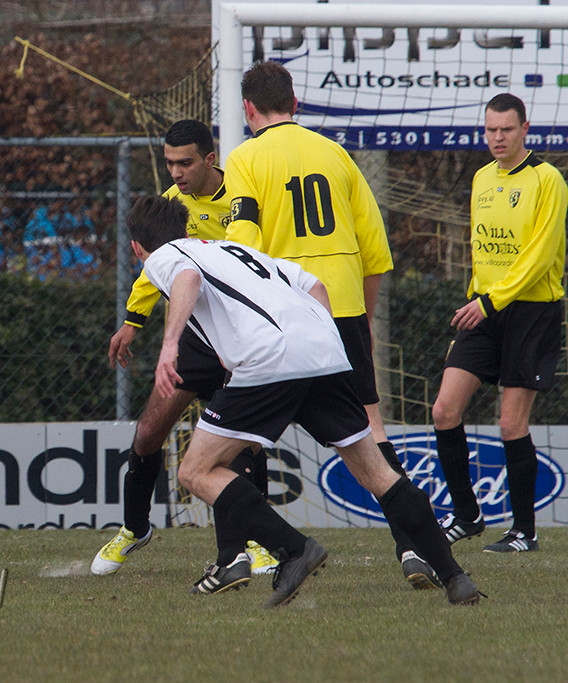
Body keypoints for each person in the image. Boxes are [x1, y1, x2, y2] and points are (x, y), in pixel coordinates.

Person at [129, 194, 480, 607]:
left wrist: (169, 346)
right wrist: (317, 340)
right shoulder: (236, 250)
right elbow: (315, 285)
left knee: (195, 470)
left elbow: (187, 278)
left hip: (271, 358)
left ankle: (294, 550)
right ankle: (455, 577)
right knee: (379, 475)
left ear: (137, 247)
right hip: (326, 353)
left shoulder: (166, 256)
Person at [222, 61, 440, 589]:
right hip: (342, 311)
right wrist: (362, 318)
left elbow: (244, 247)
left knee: (237, 438)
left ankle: (244, 554)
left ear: (248, 109)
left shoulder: (245, 158)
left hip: (285, 319)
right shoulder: (336, 154)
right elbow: (376, 251)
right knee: (371, 430)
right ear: (294, 104)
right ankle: (414, 548)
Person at [92, 119, 277, 579]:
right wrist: (133, 321)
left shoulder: (243, 198)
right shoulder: (172, 205)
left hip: (239, 339)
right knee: (148, 434)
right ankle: (134, 529)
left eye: (185, 163)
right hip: (195, 340)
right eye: (170, 163)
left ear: (210, 160)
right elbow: (158, 267)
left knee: (241, 445)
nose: (175, 173)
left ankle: (257, 541)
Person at [431, 93, 568, 553]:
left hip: (531, 311)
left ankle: (524, 531)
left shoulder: (547, 180)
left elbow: (540, 255)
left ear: (525, 129)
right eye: (490, 129)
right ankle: (467, 515)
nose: (497, 137)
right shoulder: (482, 177)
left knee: (511, 423)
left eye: (506, 129)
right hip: (484, 309)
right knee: (444, 410)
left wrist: (491, 301)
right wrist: (480, 298)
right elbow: (483, 250)